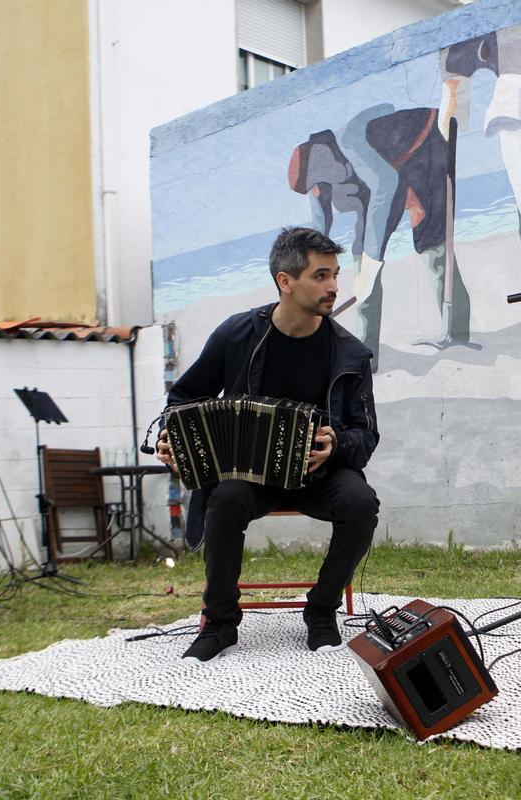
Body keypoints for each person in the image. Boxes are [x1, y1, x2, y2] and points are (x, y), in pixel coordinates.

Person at [156, 227, 380, 663]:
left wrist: (335, 445)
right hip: (248, 474)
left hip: (319, 474)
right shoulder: (236, 335)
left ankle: (321, 610)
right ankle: (220, 623)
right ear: (285, 281)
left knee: (361, 502)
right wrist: (175, 440)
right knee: (225, 497)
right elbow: (184, 399)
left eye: (335, 274)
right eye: (320, 275)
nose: (333, 286)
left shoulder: (350, 354)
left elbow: (366, 434)